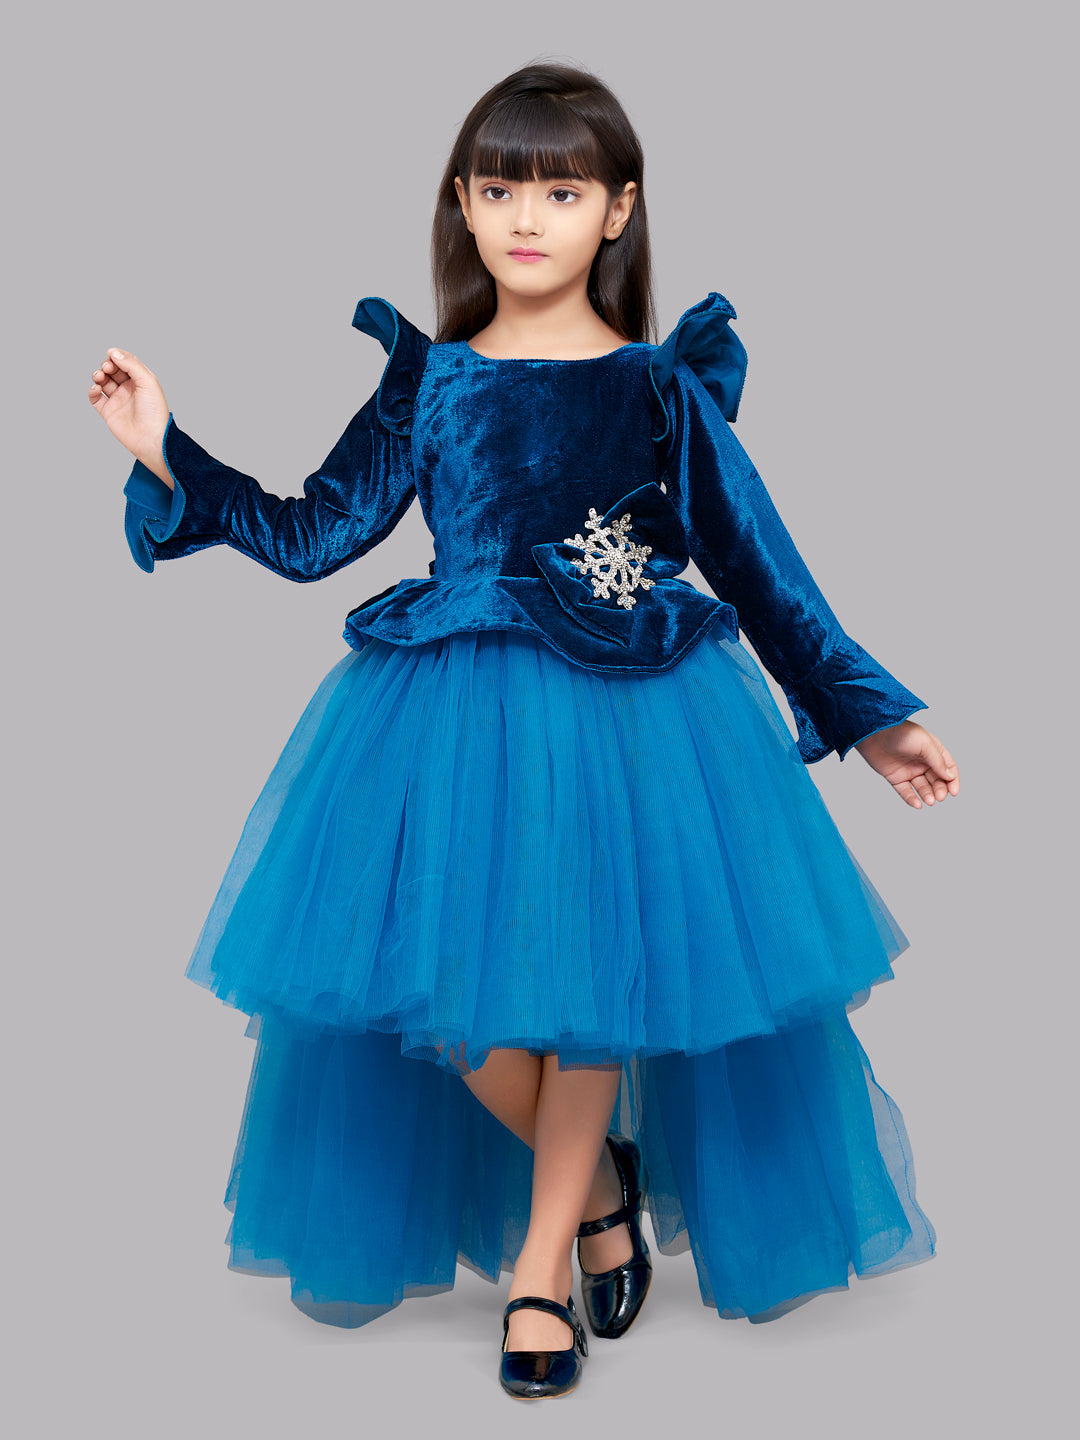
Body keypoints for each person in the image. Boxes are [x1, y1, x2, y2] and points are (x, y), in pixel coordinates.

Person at [88, 61, 958, 1402]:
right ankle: (602, 1187)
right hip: (451, 714)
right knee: (454, 1002)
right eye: (500, 190)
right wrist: (166, 450)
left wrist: (869, 716)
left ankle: (543, 1273)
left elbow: (759, 562)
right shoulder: (432, 383)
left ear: (619, 209)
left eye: (561, 191)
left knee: (592, 985)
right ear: (462, 204)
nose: (528, 218)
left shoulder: (656, 387)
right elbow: (316, 530)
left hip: (630, 714)